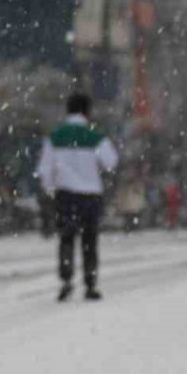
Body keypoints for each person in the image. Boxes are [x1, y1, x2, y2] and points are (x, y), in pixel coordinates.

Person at [35, 92, 119, 301]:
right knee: (89, 241)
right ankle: (90, 284)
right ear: (87, 111)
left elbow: (45, 170)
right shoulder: (96, 136)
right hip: (90, 195)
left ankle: (66, 281)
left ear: (68, 110)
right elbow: (111, 162)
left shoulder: (55, 137)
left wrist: (51, 189)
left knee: (66, 238)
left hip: (65, 195)